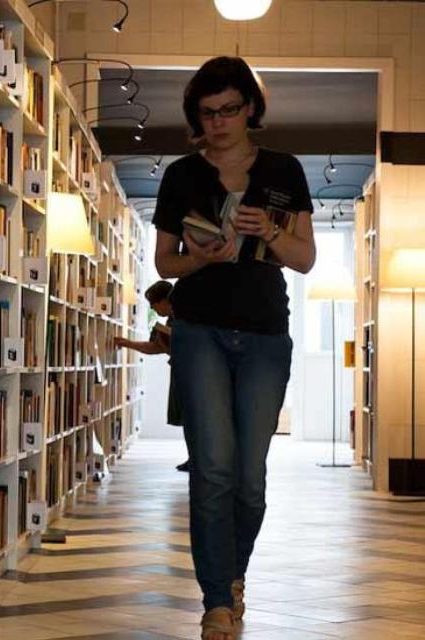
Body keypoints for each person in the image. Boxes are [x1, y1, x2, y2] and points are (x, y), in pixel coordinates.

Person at [152, 57, 316, 640]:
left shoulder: (284, 170)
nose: (218, 123)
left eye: (228, 110)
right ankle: (217, 599)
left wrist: (267, 232)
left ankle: (233, 573)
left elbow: (304, 260)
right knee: (214, 470)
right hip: (199, 332)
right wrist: (200, 258)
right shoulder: (180, 175)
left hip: (267, 333)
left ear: (251, 108)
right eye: (206, 113)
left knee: (251, 478)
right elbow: (164, 263)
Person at [114, 280, 190, 472]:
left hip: (192, 373)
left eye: (153, 304)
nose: (153, 309)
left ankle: (199, 458)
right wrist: (128, 343)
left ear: (165, 301)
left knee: (194, 417)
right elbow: (156, 348)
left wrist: (168, 348)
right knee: (188, 418)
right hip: (181, 370)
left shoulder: (187, 318)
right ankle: (195, 457)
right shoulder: (170, 322)